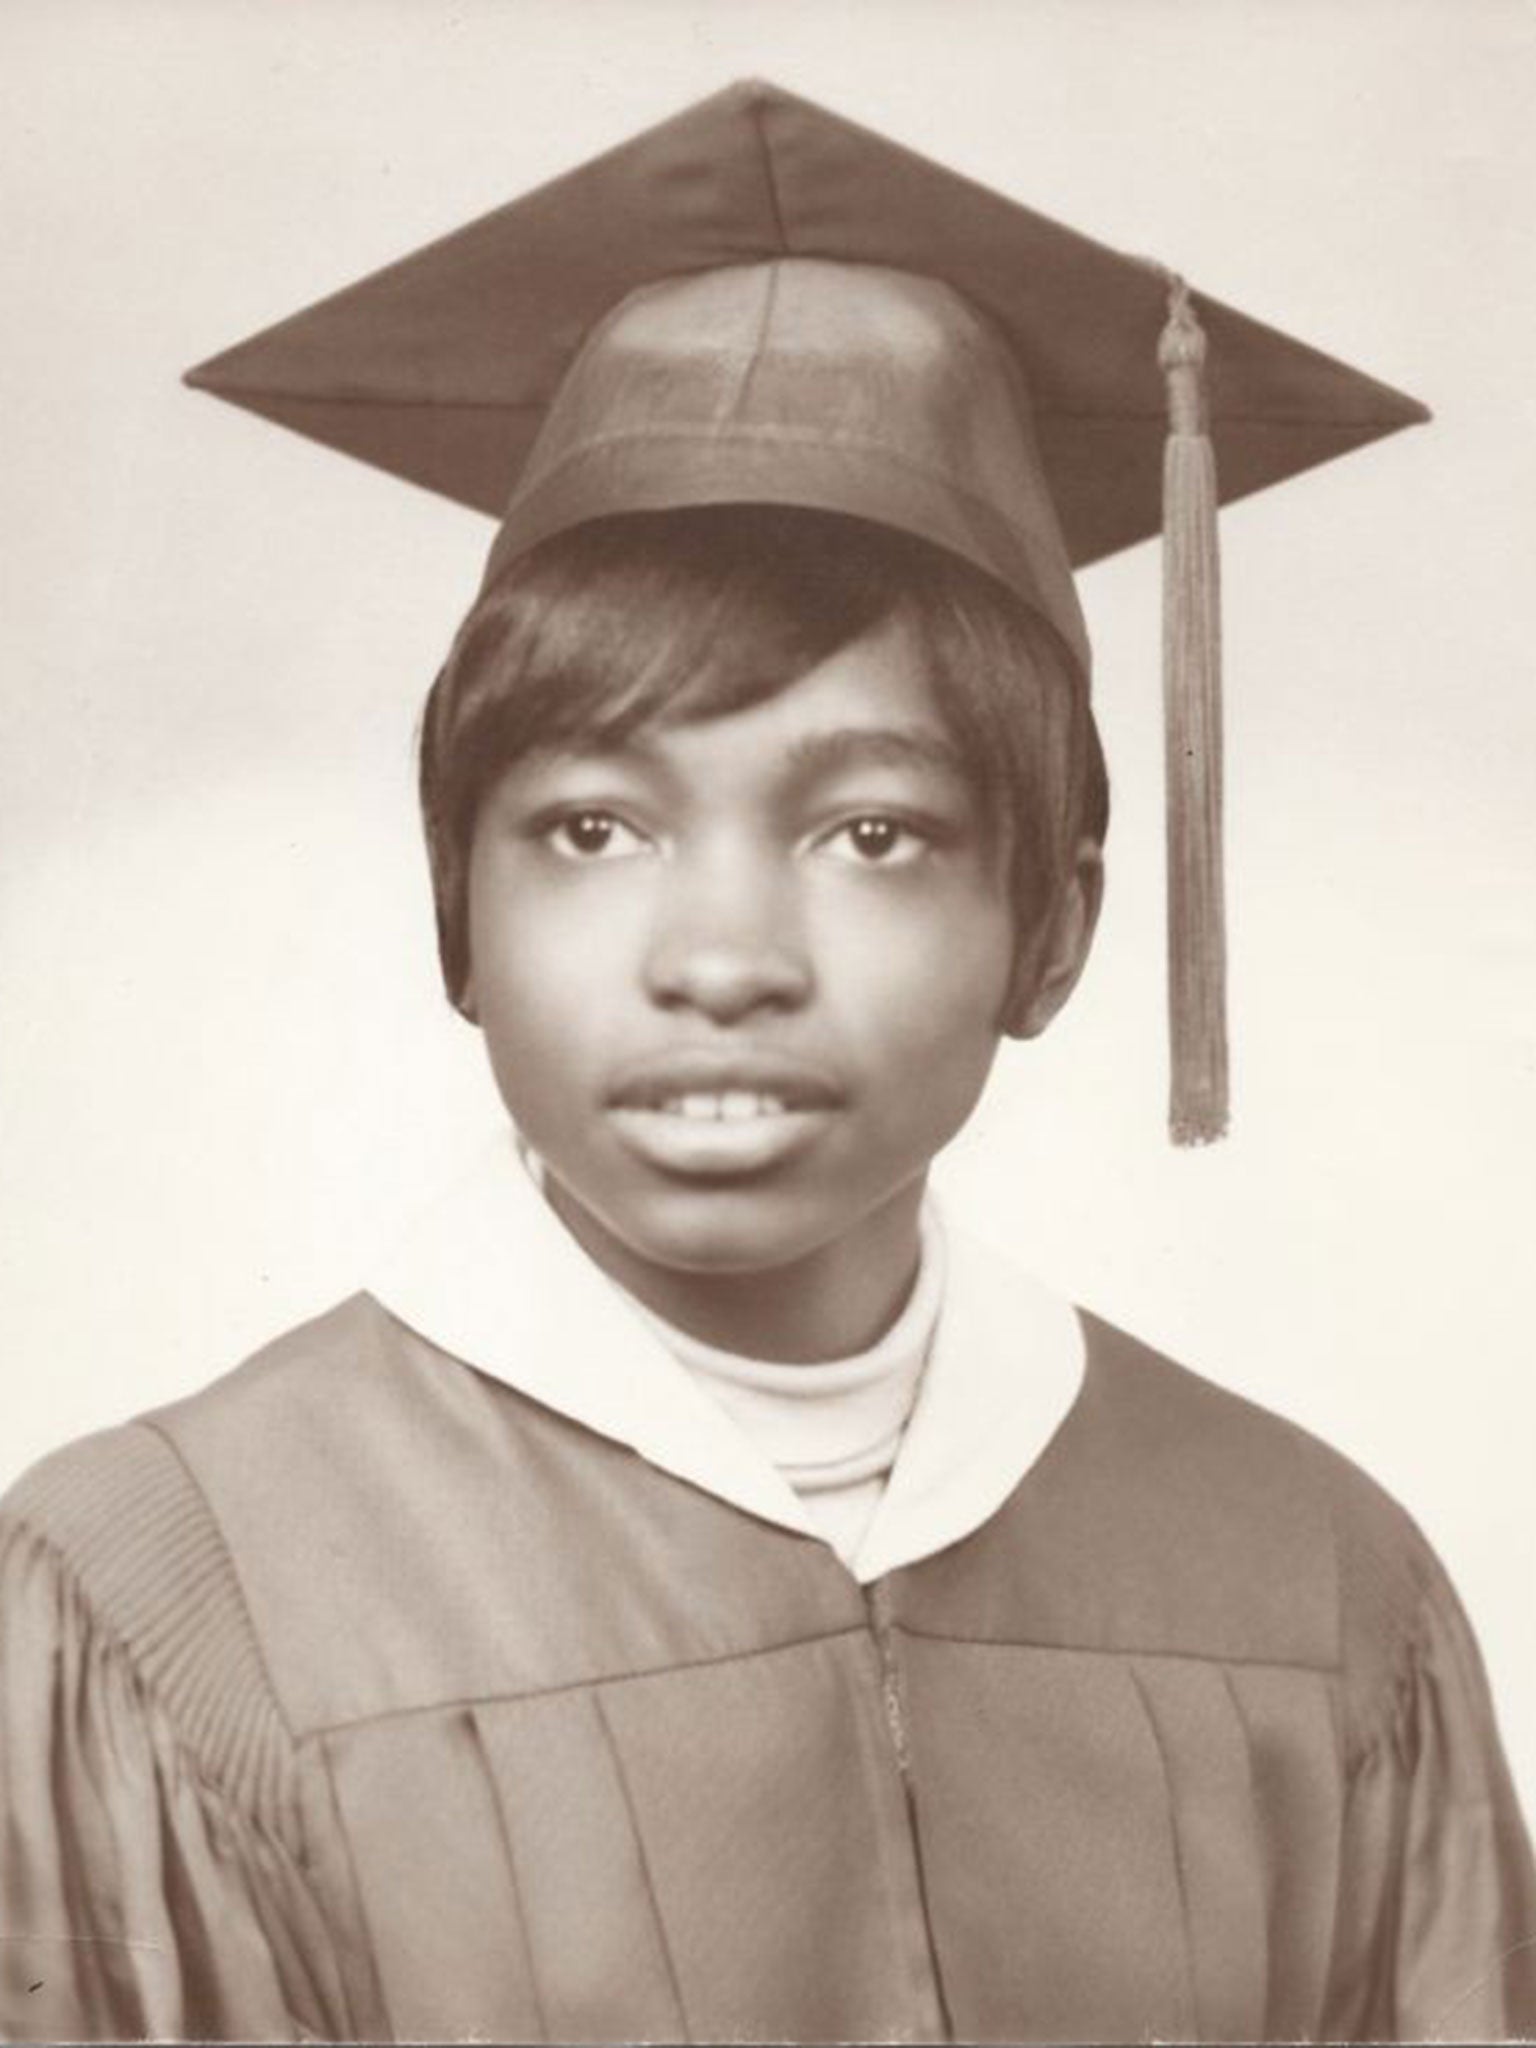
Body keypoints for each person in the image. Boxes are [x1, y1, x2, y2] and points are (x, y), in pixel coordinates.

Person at [1, 79, 1531, 2045]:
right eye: (592, 829)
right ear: (452, 905)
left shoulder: (1322, 1591)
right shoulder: (168, 1595)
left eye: (871, 833)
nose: (722, 957)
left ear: (1053, 925)